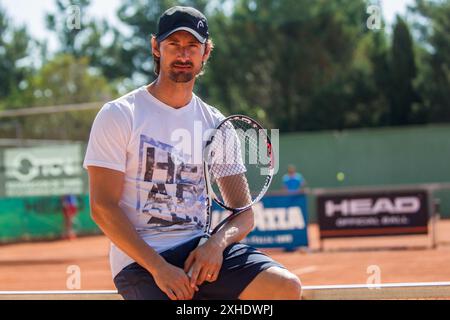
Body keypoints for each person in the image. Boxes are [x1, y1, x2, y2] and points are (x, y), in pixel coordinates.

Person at [84, 6, 302, 300]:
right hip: (140, 262)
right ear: (156, 47)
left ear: (206, 53)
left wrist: (214, 245)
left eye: (192, 46)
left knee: (286, 288)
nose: (183, 55)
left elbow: (244, 214)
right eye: (174, 44)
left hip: (200, 252)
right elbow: (102, 207)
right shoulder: (120, 115)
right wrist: (159, 268)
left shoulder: (216, 124)